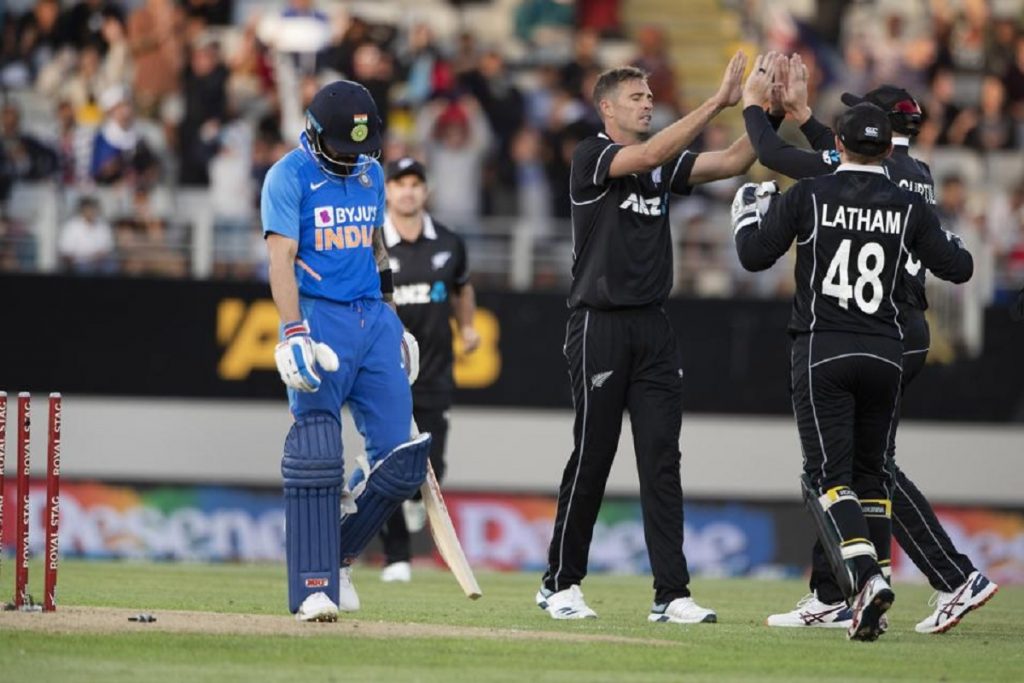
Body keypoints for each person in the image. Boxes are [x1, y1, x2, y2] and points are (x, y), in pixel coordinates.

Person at [742, 57, 999, 634]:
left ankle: (943, 577)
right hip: (893, 331)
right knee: (860, 468)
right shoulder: (913, 174)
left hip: (861, 328)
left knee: (854, 470)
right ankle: (837, 592)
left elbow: (789, 159)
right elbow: (846, 161)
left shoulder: (830, 181)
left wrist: (757, 108)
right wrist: (807, 117)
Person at [536, 50, 771, 625]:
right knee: (594, 454)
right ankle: (560, 584)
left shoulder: (662, 164)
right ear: (607, 108)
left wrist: (769, 111)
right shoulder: (592, 155)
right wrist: (716, 102)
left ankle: (671, 594)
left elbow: (735, 160)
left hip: (654, 328)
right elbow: (647, 154)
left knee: (662, 460)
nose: (647, 104)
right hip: (599, 324)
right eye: (636, 98)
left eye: (648, 96)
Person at [261, 80, 432, 622]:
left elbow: (377, 249)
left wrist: (394, 321)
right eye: (342, 147)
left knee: (402, 461)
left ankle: (338, 553)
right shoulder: (287, 176)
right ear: (314, 133)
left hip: (372, 317)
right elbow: (280, 259)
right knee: (318, 451)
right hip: (320, 315)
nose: (352, 157)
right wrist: (293, 332)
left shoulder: (371, 172)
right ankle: (314, 586)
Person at [376, 157, 480, 583]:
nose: (408, 191)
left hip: (435, 373)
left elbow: (462, 289)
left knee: (432, 464)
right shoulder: (373, 241)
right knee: (386, 462)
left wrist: (467, 326)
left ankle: (415, 499)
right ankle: (396, 557)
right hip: (386, 374)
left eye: (415, 184)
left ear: (426, 191)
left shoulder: (449, 242)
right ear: (387, 191)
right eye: (400, 183)